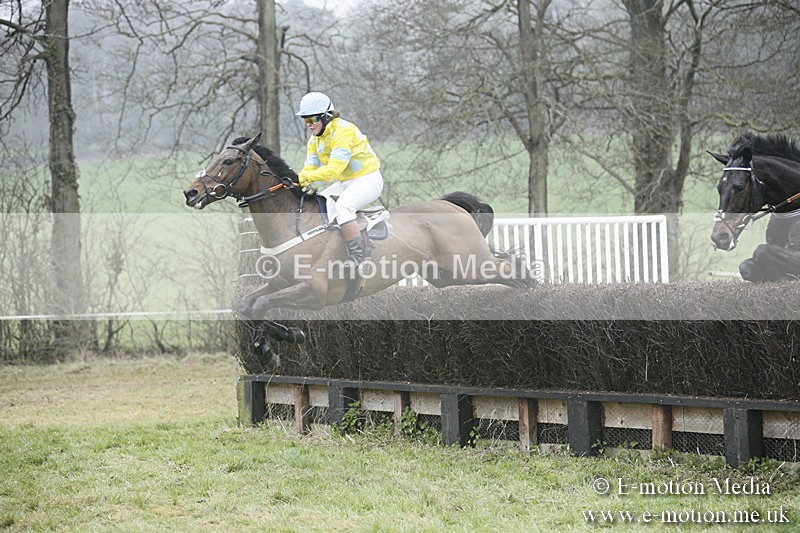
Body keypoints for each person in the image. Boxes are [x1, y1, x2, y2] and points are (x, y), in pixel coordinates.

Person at [296, 92, 383, 266]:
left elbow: (333, 170)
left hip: (368, 180)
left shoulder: (344, 131)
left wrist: (304, 177)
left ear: (326, 117)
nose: (309, 125)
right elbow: (310, 168)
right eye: (305, 120)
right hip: (346, 183)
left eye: (312, 120)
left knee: (343, 207)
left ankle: (358, 257)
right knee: (319, 203)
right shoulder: (314, 140)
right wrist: (296, 180)